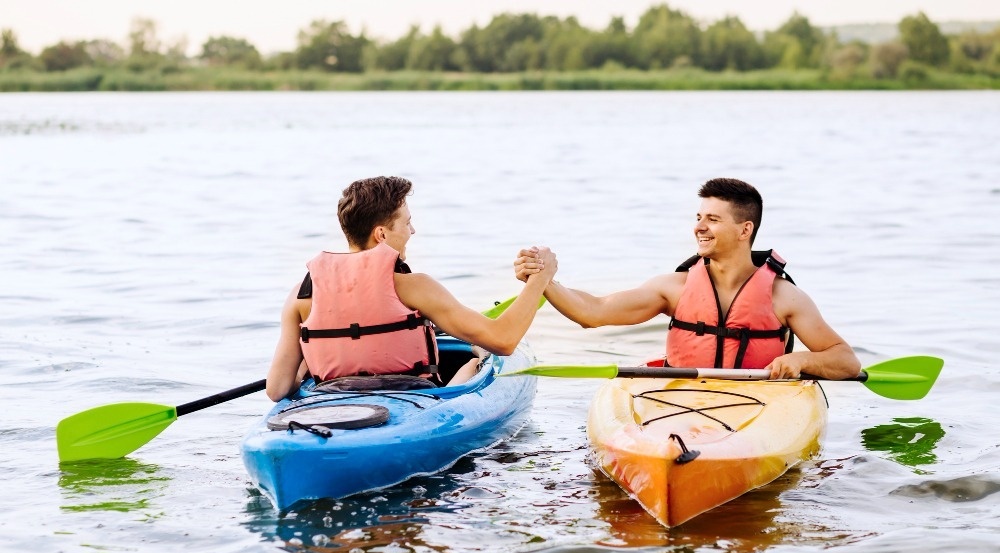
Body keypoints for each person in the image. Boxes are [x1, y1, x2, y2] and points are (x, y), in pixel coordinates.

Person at [514, 177, 860, 380]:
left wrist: (801, 360)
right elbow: (595, 311)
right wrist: (544, 280)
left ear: (745, 229)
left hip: (759, 401)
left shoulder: (784, 297)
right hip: (682, 397)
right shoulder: (674, 288)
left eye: (712, 219)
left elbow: (845, 359)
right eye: (698, 217)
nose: (698, 227)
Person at [266, 176, 556, 401]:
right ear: (381, 234)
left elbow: (277, 388)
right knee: (477, 357)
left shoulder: (302, 294)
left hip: (332, 401)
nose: (412, 231)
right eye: (407, 223)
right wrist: (540, 280)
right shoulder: (413, 287)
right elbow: (504, 341)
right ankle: (476, 363)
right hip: (414, 401)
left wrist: (310, 363)